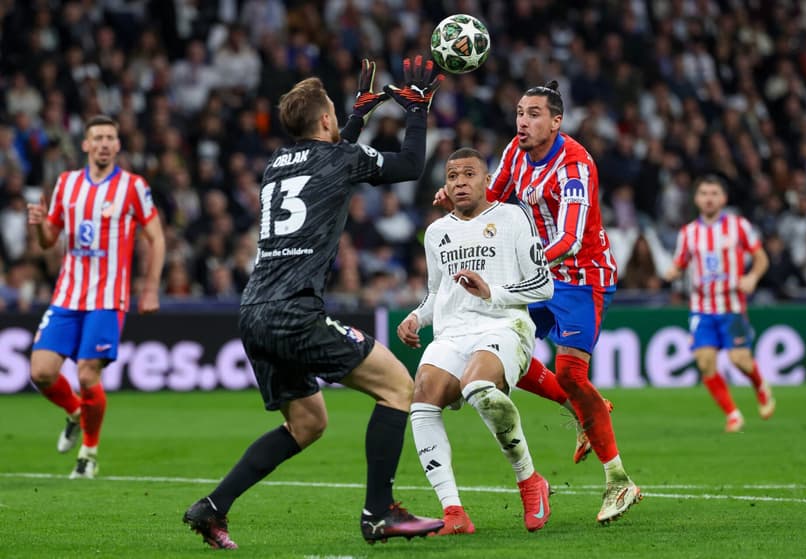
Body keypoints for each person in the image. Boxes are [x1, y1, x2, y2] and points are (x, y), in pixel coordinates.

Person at [182, 58, 445, 549]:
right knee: (397, 388)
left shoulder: (275, 165)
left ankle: (212, 507)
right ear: (325, 120)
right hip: (294, 312)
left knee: (307, 423)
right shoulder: (341, 159)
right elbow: (409, 167)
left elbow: (326, 152)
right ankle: (379, 512)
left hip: (254, 310)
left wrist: (358, 118)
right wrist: (418, 110)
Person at [439, 81, 641, 523]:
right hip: (536, 273)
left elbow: (569, 240)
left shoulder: (575, 166)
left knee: (570, 371)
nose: (523, 122)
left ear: (556, 121)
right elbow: (496, 197)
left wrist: (520, 269)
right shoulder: (515, 152)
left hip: (579, 276)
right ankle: (585, 408)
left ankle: (619, 480)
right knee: (509, 354)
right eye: (519, 113)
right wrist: (460, 197)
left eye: (533, 114)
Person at [399, 148, 554, 535]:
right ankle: (454, 512)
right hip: (452, 333)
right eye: (452, 176)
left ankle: (529, 481)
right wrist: (417, 316)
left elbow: (544, 285)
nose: (460, 182)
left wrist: (492, 292)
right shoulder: (436, 233)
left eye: (469, 174)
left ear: (487, 180)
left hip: (503, 326)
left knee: (478, 385)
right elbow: (437, 294)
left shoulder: (511, 217)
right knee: (422, 395)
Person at [27, 114, 165, 479]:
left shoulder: (133, 186)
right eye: (97, 137)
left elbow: (157, 238)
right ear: (86, 145)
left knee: (88, 375)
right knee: (40, 372)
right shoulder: (66, 184)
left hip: (107, 298)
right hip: (67, 295)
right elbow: (48, 241)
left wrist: (149, 288)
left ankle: (88, 452)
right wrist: (40, 223)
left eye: (110, 137)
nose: (104, 143)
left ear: (118, 145)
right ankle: (74, 411)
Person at [663, 175, 775, 432]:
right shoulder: (689, 233)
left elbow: (761, 258)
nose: (709, 198)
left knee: (739, 359)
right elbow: (680, 262)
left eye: (714, 193)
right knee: (704, 361)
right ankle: (733, 414)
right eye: (704, 193)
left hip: (732, 306)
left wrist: (753, 277)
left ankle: (760, 385)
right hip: (701, 309)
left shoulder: (739, 226)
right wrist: (672, 272)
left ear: (723, 198)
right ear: (697, 199)